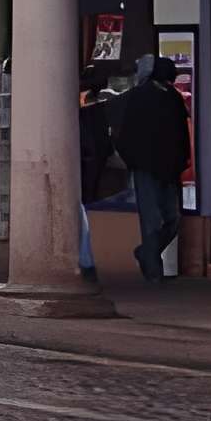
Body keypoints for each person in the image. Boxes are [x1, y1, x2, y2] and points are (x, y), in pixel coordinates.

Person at [114, 54, 191, 286]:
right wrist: (134, 160)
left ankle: (147, 253)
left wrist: (182, 159)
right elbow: (125, 133)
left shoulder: (172, 98)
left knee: (172, 219)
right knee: (154, 220)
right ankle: (153, 270)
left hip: (167, 168)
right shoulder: (141, 97)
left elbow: (180, 134)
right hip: (148, 167)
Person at [76, 63, 128, 284]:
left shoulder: (85, 115)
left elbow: (90, 145)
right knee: (86, 214)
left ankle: (86, 262)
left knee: (82, 215)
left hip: (84, 169)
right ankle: (87, 262)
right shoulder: (100, 112)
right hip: (93, 169)